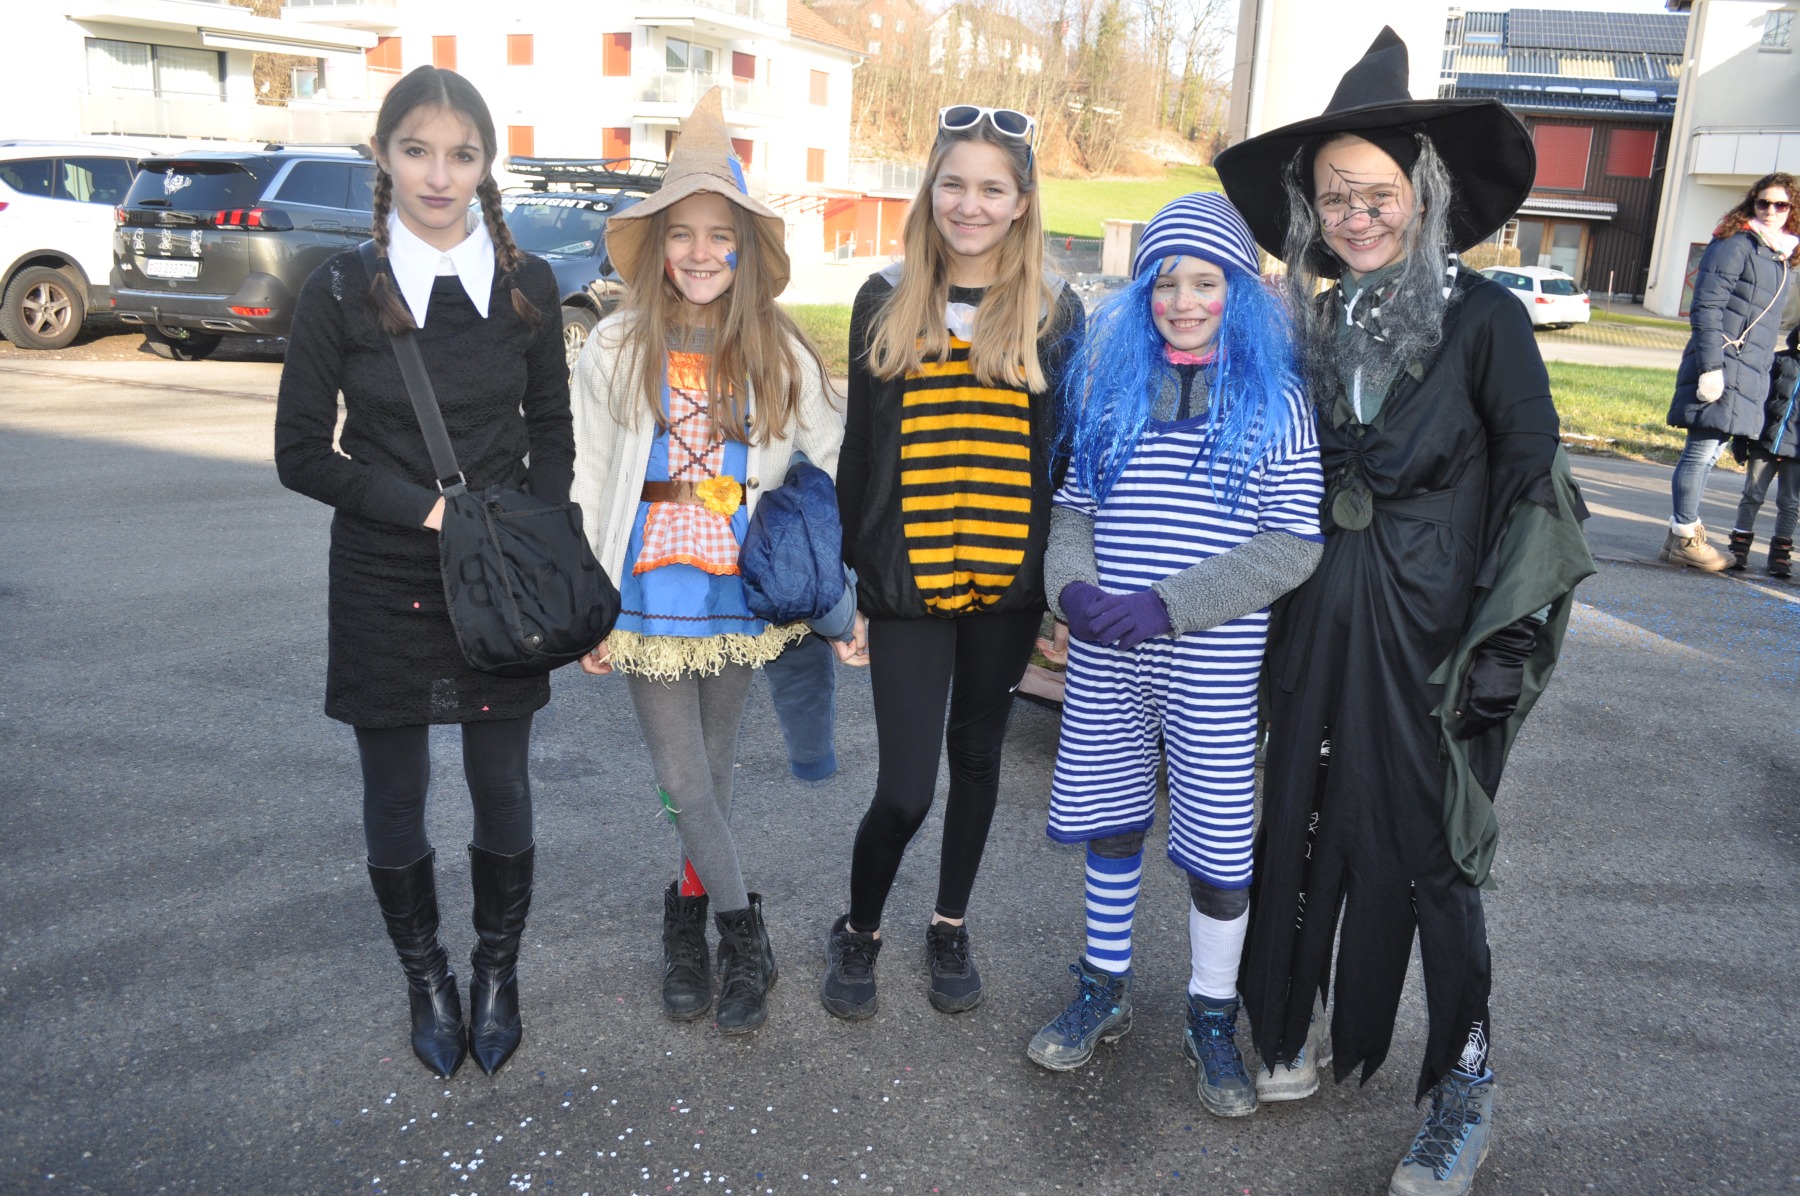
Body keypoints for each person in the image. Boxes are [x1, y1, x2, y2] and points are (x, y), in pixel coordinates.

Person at [1215, 29, 1594, 1196]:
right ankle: (1293, 1019)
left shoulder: (1486, 320)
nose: (1356, 217)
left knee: (1437, 854)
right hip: (1315, 626)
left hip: (1435, 639)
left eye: (1376, 194)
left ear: (1422, 195)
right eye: (1335, 197)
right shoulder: (1312, 325)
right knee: (1301, 817)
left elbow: (1535, 487)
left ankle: (1462, 1086)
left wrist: (1508, 640)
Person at [274, 65, 572, 1079]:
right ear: (382, 155)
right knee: (395, 792)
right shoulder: (339, 287)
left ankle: (496, 972)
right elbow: (300, 453)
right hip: (381, 573)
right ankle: (425, 977)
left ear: (486, 164)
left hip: (497, 581)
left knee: (502, 783)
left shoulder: (531, 286)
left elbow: (554, 428)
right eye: (416, 151)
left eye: (461, 154)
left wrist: (534, 533)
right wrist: (429, 509)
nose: (439, 176)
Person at [1021, 192, 1323, 1120]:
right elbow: (1074, 510)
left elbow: (1293, 542)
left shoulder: (1275, 402)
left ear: (1239, 293)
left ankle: (1211, 1012)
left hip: (1211, 664)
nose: (1182, 301)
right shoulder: (1111, 390)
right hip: (1109, 656)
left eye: (1204, 283)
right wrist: (1072, 592)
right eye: (1164, 283)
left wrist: (1166, 606)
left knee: (1220, 852)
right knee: (1111, 823)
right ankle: (1103, 986)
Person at [569, 88, 851, 1036]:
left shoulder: (778, 349)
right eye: (681, 234)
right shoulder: (615, 345)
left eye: (719, 235)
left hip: (739, 587)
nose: (698, 252)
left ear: (744, 250)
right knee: (684, 781)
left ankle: (687, 927)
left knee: (715, 779)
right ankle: (745, 937)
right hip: (646, 590)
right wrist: (588, 604)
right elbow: (588, 476)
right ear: (658, 246)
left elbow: (834, 456)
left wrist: (832, 572)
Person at [820, 104, 1085, 1020]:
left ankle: (949, 923)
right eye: (954, 184)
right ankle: (860, 927)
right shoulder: (884, 296)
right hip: (907, 582)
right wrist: (851, 584)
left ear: (1022, 202)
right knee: (905, 789)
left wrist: (1060, 591)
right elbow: (861, 452)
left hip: (1007, 583)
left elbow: (1063, 459)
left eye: (992, 189)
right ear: (929, 189)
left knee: (976, 759)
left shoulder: (1055, 309)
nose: (970, 205)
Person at [1662, 173, 1800, 570]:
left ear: (1792, 210)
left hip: (1747, 369)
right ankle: (1686, 536)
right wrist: (1711, 368)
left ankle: (1676, 540)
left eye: (1780, 205)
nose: (1770, 210)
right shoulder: (1736, 244)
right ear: (1751, 204)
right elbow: (1706, 308)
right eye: (1763, 202)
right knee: (1700, 452)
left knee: (1710, 454)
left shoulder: (1778, 254)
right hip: (1723, 362)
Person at [1726, 325, 1800, 577]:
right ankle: (1738, 548)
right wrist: (1741, 438)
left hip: (1796, 449)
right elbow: (1755, 402)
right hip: (1763, 441)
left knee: (1789, 501)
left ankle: (1780, 555)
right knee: (1752, 494)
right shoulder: (1778, 362)